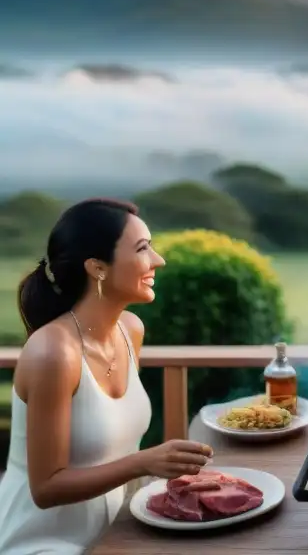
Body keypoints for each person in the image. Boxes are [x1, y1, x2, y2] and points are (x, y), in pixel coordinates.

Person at [0, 198, 214, 554]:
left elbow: (117, 445)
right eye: (143, 249)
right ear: (98, 268)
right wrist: (143, 463)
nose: (157, 260)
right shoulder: (54, 353)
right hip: (42, 544)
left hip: (113, 534)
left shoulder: (130, 331)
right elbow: (45, 488)